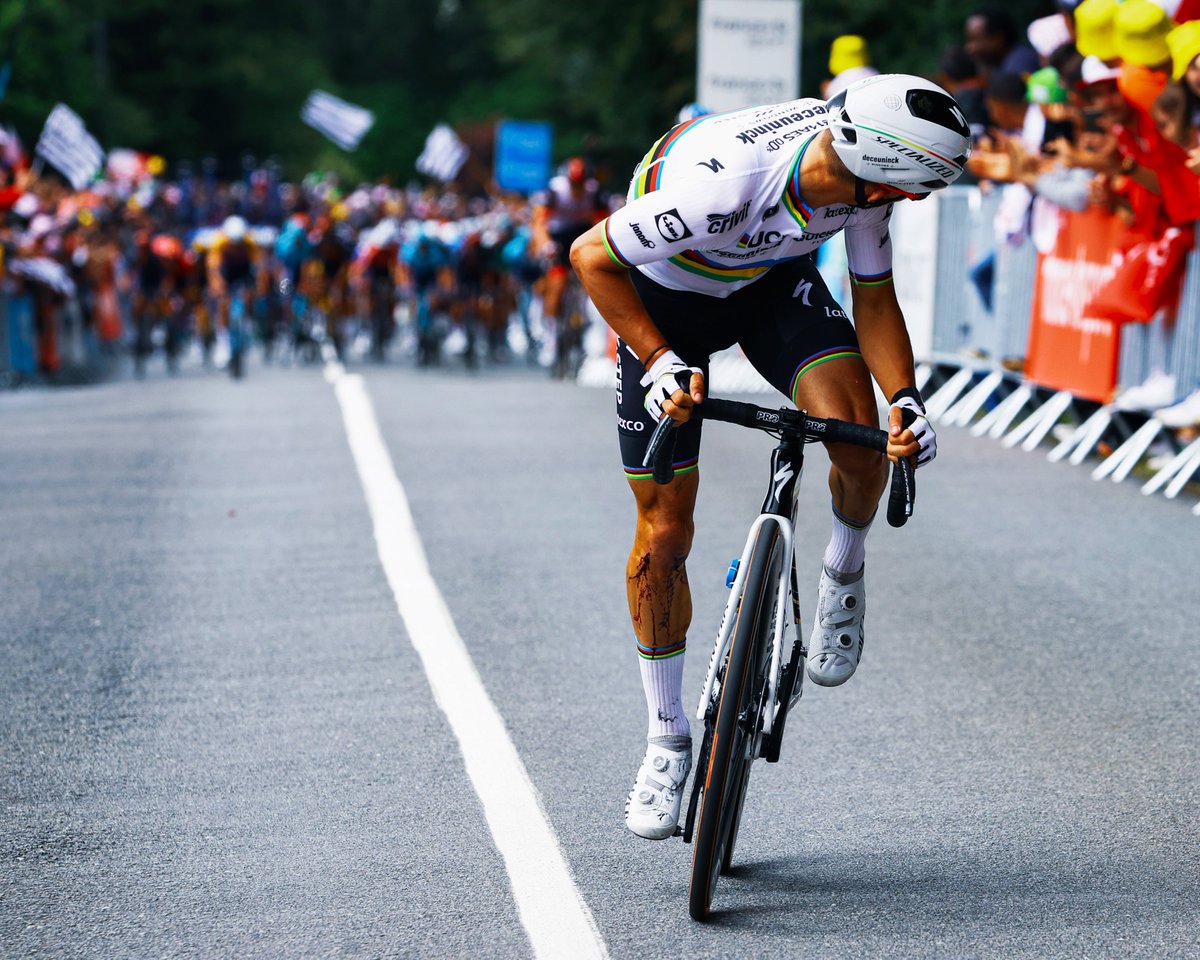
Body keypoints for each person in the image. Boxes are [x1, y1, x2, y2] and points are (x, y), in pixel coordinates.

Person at [569, 74, 971, 840]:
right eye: (909, 193)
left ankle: (843, 572)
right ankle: (665, 738)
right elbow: (590, 256)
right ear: (873, 169)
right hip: (664, 300)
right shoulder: (724, 187)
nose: (909, 206)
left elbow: (874, 296)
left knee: (857, 431)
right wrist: (657, 362)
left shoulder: (863, 180)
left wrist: (907, 401)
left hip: (766, 282)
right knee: (664, 533)